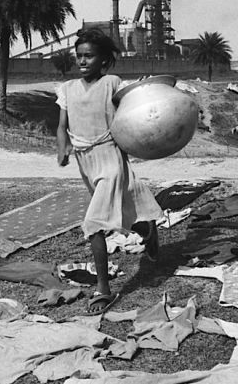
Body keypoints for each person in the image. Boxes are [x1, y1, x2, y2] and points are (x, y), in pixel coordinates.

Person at [56, 28, 163, 315]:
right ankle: (146, 229)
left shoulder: (112, 83)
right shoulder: (67, 89)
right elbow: (62, 124)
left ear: (103, 60)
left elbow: (131, 111)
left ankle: (103, 288)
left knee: (94, 223)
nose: (82, 61)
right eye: (78, 56)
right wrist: (62, 148)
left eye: (88, 56)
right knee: (114, 214)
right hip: (85, 160)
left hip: (110, 157)